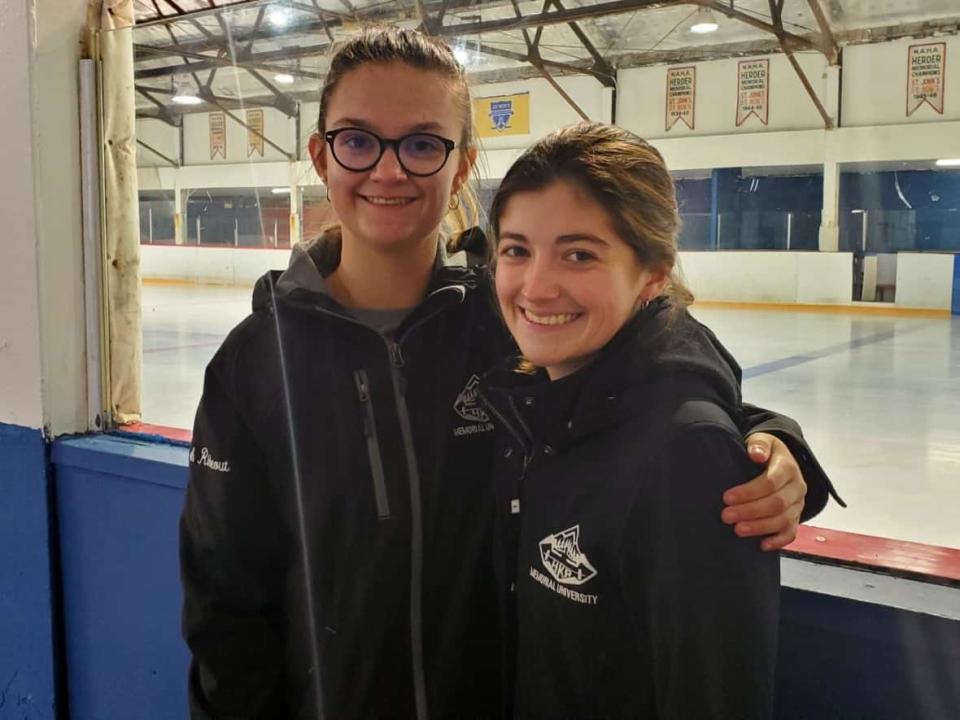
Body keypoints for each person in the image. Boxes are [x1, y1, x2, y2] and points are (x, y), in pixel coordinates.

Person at [179, 27, 838, 720]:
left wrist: (766, 434)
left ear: (461, 165)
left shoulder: (511, 316)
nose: (389, 170)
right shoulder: (255, 364)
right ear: (321, 154)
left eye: (423, 143)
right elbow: (224, 606)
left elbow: (655, 356)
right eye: (358, 139)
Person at [482, 122, 822, 719]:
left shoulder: (687, 458)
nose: (536, 286)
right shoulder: (544, 398)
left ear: (654, 272)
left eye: (579, 254)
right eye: (516, 250)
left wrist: (760, 441)